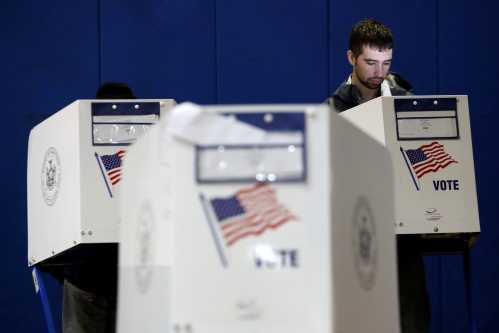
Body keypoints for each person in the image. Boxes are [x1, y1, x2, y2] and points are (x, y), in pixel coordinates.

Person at [326, 19, 430, 333]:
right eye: (370, 62)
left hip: (404, 227)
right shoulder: (332, 109)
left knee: (411, 316)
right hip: (357, 225)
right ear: (351, 58)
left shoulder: (406, 100)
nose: (378, 72)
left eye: (386, 63)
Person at [60, 82, 135, 333]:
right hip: (132, 282)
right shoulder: (155, 154)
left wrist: (67, 271)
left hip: (86, 277)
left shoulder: (71, 152)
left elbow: (54, 217)